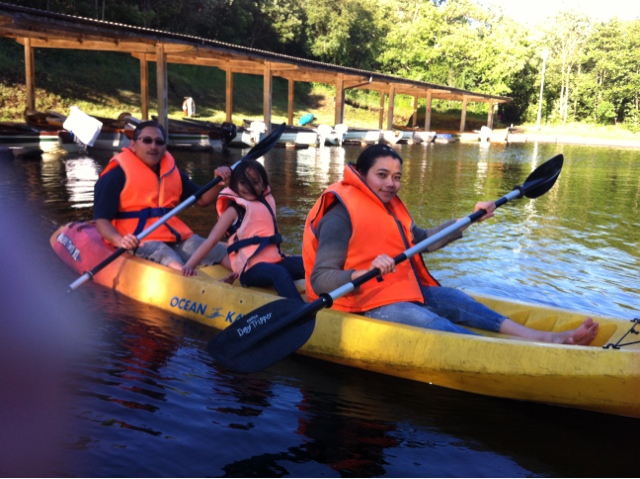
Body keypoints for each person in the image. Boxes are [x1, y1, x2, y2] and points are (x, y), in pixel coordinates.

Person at [302, 143, 599, 345]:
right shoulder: (339, 215)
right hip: (358, 302)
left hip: (395, 291)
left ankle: (544, 338)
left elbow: (423, 241)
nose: (391, 183)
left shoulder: (388, 207)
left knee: (458, 299)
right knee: (431, 322)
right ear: (362, 174)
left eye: (397, 177)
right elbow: (321, 278)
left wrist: (470, 218)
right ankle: (508, 352)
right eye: (382, 175)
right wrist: (363, 272)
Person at [93, 120, 232, 274]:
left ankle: (244, 275)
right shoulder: (115, 175)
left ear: (165, 147)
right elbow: (101, 221)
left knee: (215, 250)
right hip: (138, 238)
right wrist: (120, 240)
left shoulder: (172, 172)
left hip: (171, 234)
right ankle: (187, 280)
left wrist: (218, 183)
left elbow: (203, 199)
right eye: (147, 140)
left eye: (159, 142)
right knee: (169, 258)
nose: (153, 146)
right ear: (133, 145)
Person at [182, 159, 305, 302]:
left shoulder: (266, 201)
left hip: (276, 261)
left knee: (308, 263)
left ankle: (325, 298)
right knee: (279, 273)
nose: (249, 186)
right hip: (250, 270)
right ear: (235, 184)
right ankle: (299, 309)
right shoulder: (233, 211)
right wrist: (190, 265)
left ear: (263, 184)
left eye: (255, 181)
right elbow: (212, 240)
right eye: (243, 182)